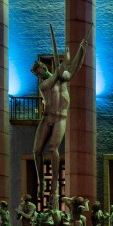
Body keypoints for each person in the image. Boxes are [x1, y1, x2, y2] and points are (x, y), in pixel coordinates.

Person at [31, 33, 88, 212]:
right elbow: (57, 74)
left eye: (40, 67)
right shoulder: (44, 85)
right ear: (38, 75)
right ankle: (41, 182)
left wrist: (81, 50)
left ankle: (54, 186)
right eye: (38, 71)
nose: (40, 70)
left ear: (43, 66)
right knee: (36, 151)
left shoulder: (62, 77)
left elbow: (74, 68)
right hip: (47, 117)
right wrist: (65, 62)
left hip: (60, 119)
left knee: (53, 149)